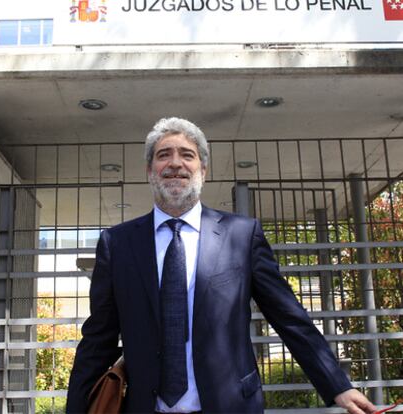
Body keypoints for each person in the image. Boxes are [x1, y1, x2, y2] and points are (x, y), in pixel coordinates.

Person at [67, 117, 376, 414]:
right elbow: (98, 339)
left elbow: (289, 317)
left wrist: (338, 385)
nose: (175, 163)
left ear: (203, 169)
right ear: (150, 170)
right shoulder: (118, 244)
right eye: (164, 155)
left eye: (187, 155)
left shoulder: (242, 235)